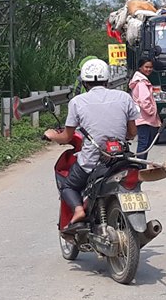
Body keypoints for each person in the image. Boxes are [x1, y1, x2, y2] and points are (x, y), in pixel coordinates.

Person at [44, 58, 138, 225]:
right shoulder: (124, 97)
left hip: (92, 161)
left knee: (69, 186)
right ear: (107, 79)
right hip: (121, 159)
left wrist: (51, 135)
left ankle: (79, 209)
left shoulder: (77, 102)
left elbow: (66, 137)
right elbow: (132, 133)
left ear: (84, 82)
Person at [129, 56, 160, 158]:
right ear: (140, 68)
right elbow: (144, 101)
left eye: (150, 67)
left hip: (142, 117)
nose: (149, 69)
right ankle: (140, 167)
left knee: (145, 144)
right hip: (144, 118)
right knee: (144, 144)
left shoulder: (140, 81)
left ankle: (141, 167)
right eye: (146, 67)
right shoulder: (141, 83)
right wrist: (152, 111)